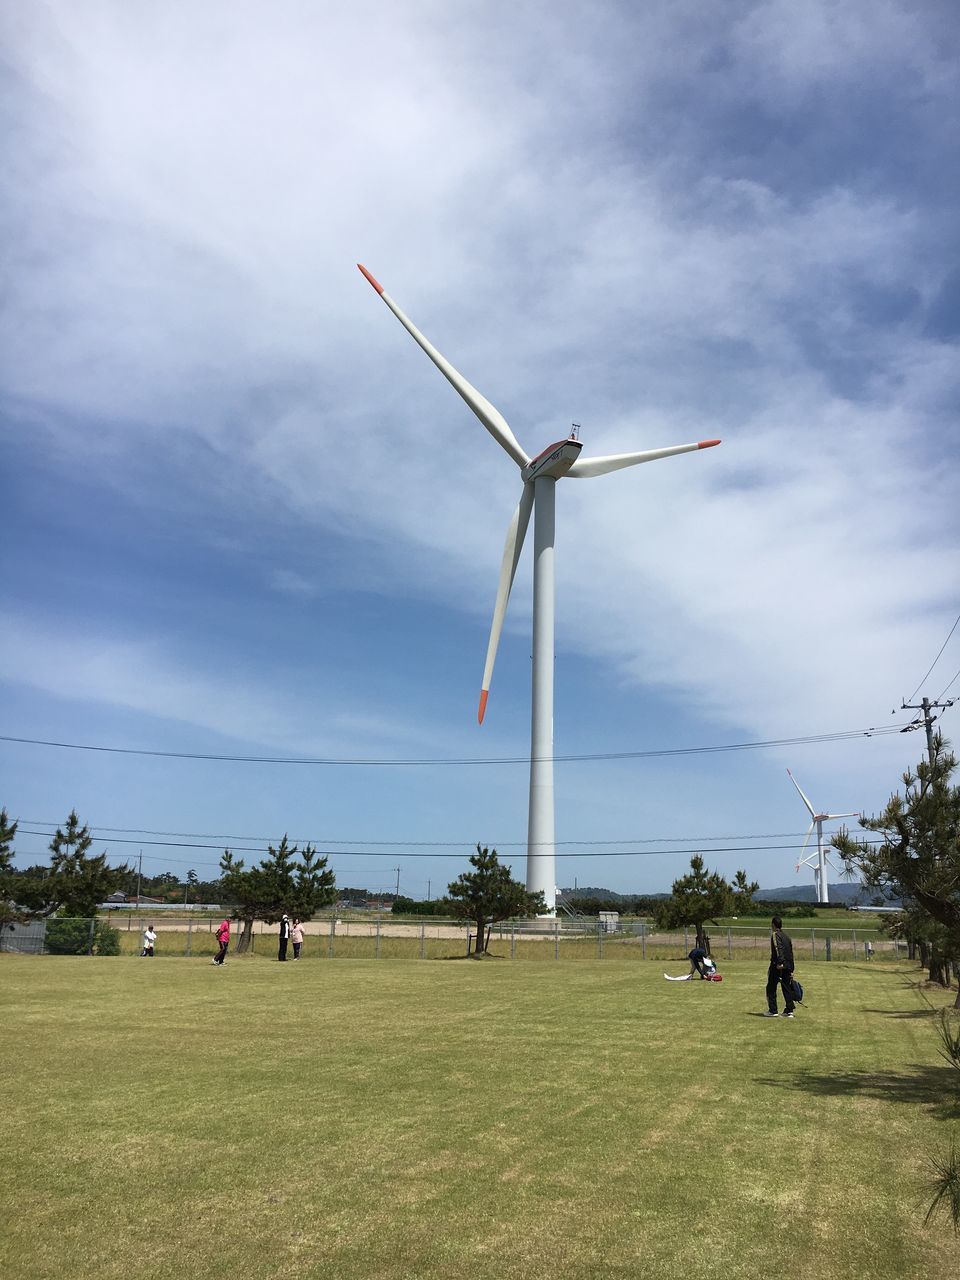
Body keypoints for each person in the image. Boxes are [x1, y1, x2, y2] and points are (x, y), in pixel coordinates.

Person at [764, 916, 796, 1017]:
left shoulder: (775, 935)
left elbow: (778, 948)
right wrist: (791, 967)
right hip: (788, 965)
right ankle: (789, 1010)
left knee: (771, 987)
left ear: (773, 925)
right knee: (786, 987)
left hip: (778, 966)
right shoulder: (787, 936)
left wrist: (780, 962)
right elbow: (790, 952)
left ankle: (773, 1010)